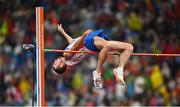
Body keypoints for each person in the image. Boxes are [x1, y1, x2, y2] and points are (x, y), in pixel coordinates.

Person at [53, 24, 133, 88]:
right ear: (61, 65)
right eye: (55, 64)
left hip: (90, 43)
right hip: (87, 42)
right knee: (107, 46)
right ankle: (97, 72)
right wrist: (84, 35)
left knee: (129, 47)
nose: (55, 61)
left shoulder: (68, 58)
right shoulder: (66, 55)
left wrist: (62, 31)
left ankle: (119, 69)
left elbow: (72, 42)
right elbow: (76, 46)